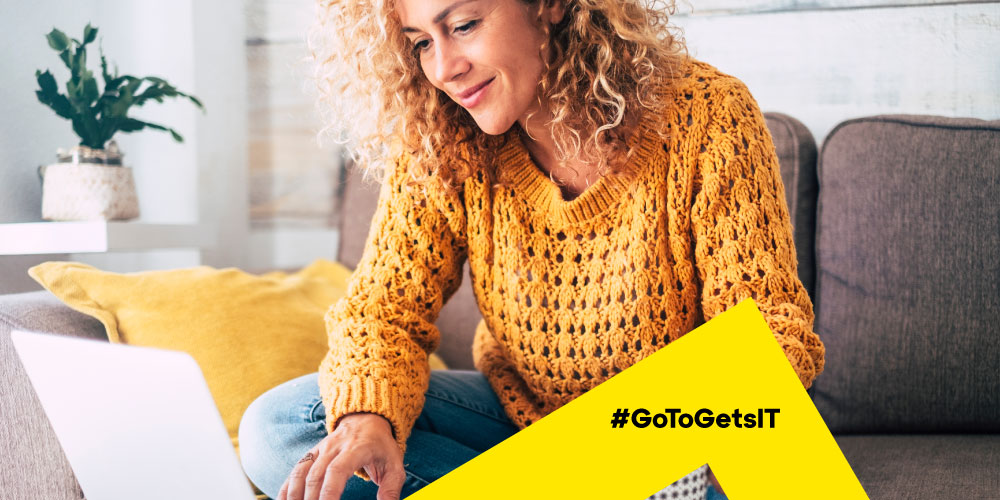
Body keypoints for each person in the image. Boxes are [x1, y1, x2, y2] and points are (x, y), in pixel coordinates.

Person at [238, 0, 826, 499]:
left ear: (546, 5)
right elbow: (381, 311)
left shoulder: (707, 114)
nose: (443, 67)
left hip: (672, 431)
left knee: (756, 446)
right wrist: (368, 415)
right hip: (526, 421)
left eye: (463, 25)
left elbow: (770, 335)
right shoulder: (442, 139)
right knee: (281, 427)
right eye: (419, 42)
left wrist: (623, 442)